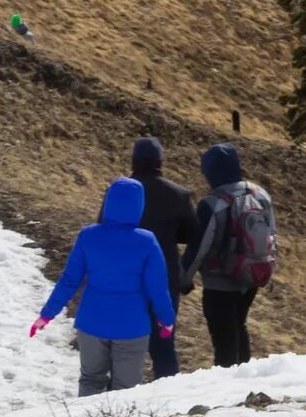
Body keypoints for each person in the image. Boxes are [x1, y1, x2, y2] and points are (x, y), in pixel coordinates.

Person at [31, 178, 176, 396]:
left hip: (92, 323)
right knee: (126, 391)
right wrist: (166, 319)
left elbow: (70, 279)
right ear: (139, 205)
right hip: (132, 326)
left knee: (90, 381)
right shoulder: (147, 241)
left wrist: (47, 314)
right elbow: (158, 287)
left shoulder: (88, 235)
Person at [183, 143, 277, 368]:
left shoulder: (212, 203)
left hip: (220, 282)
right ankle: (243, 381)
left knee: (224, 339)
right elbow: (271, 234)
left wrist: (183, 279)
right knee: (239, 325)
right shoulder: (260, 194)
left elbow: (199, 247)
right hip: (252, 276)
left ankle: (225, 390)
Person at [128, 137, 198, 379]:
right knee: (164, 345)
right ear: (160, 162)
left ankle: (119, 402)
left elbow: (104, 226)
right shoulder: (179, 194)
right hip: (165, 277)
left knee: (125, 343)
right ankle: (169, 400)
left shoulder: (121, 191)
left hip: (126, 277)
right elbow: (192, 235)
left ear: (134, 161)